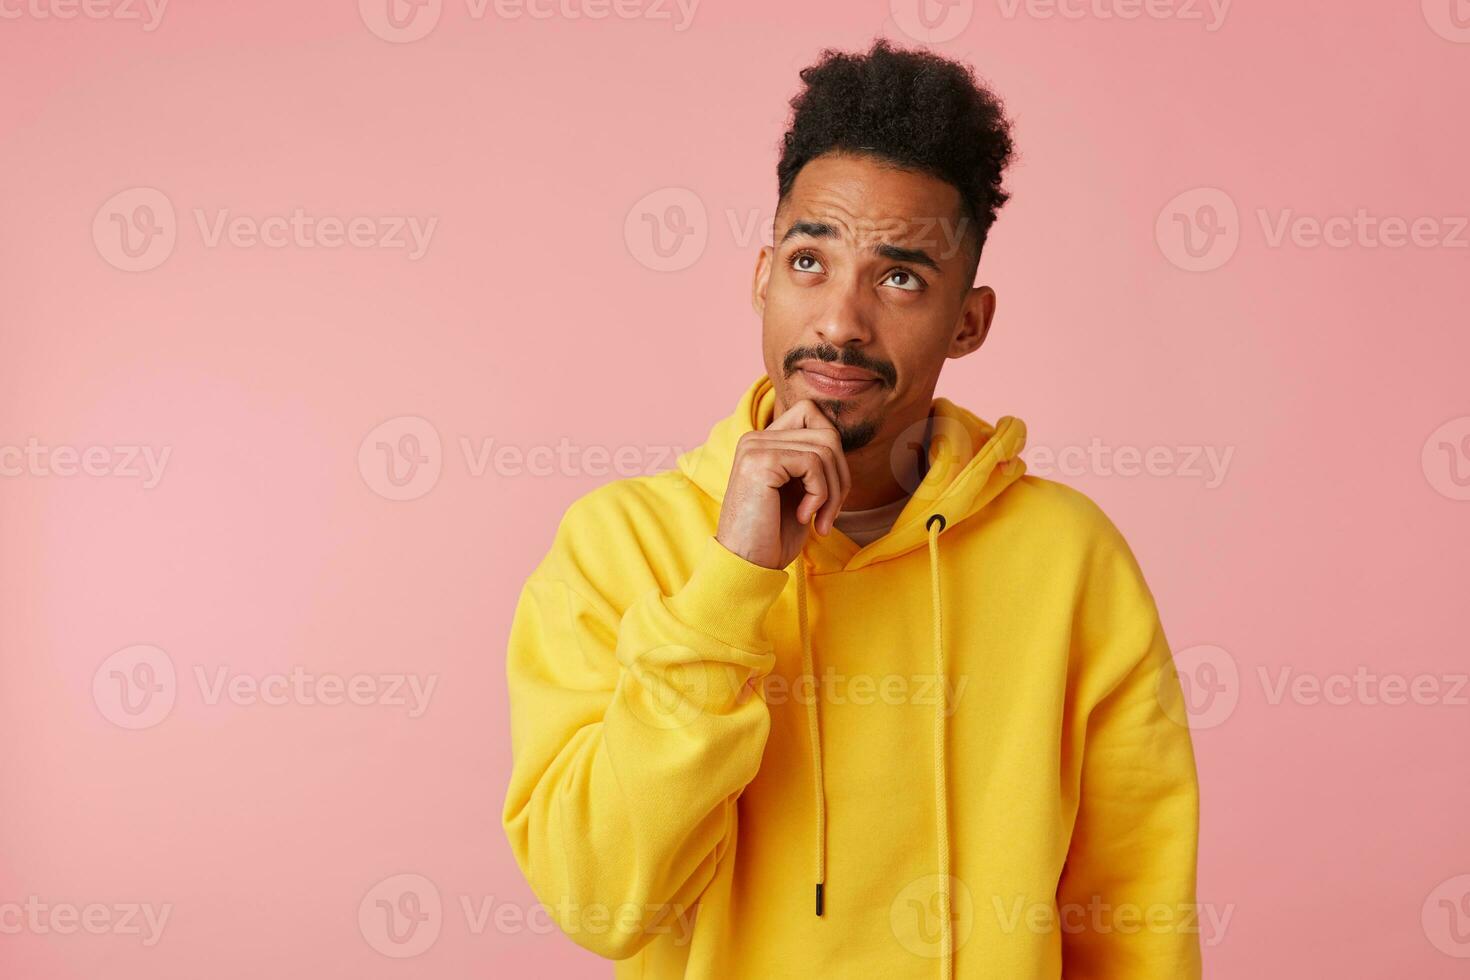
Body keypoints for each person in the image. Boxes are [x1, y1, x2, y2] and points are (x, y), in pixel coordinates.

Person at [502, 37, 1201, 979]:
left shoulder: (1072, 560)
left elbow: (1135, 922)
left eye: (901, 276)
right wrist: (732, 581)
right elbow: (599, 900)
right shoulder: (617, 546)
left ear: (970, 320)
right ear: (760, 275)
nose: (840, 321)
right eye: (808, 261)